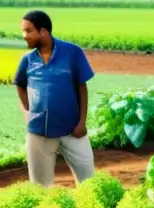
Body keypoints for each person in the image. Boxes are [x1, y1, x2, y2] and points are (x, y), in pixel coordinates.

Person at [14, 10, 96, 188]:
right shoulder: (27, 60)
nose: (24, 36)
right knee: (40, 188)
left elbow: (82, 87)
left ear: (43, 31)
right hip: (38, 131)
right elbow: (19, 85)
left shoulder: (72, 52)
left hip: (72, 129)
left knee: (89, 181)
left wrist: (82, 122)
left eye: (28, 31)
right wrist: (27, 113)